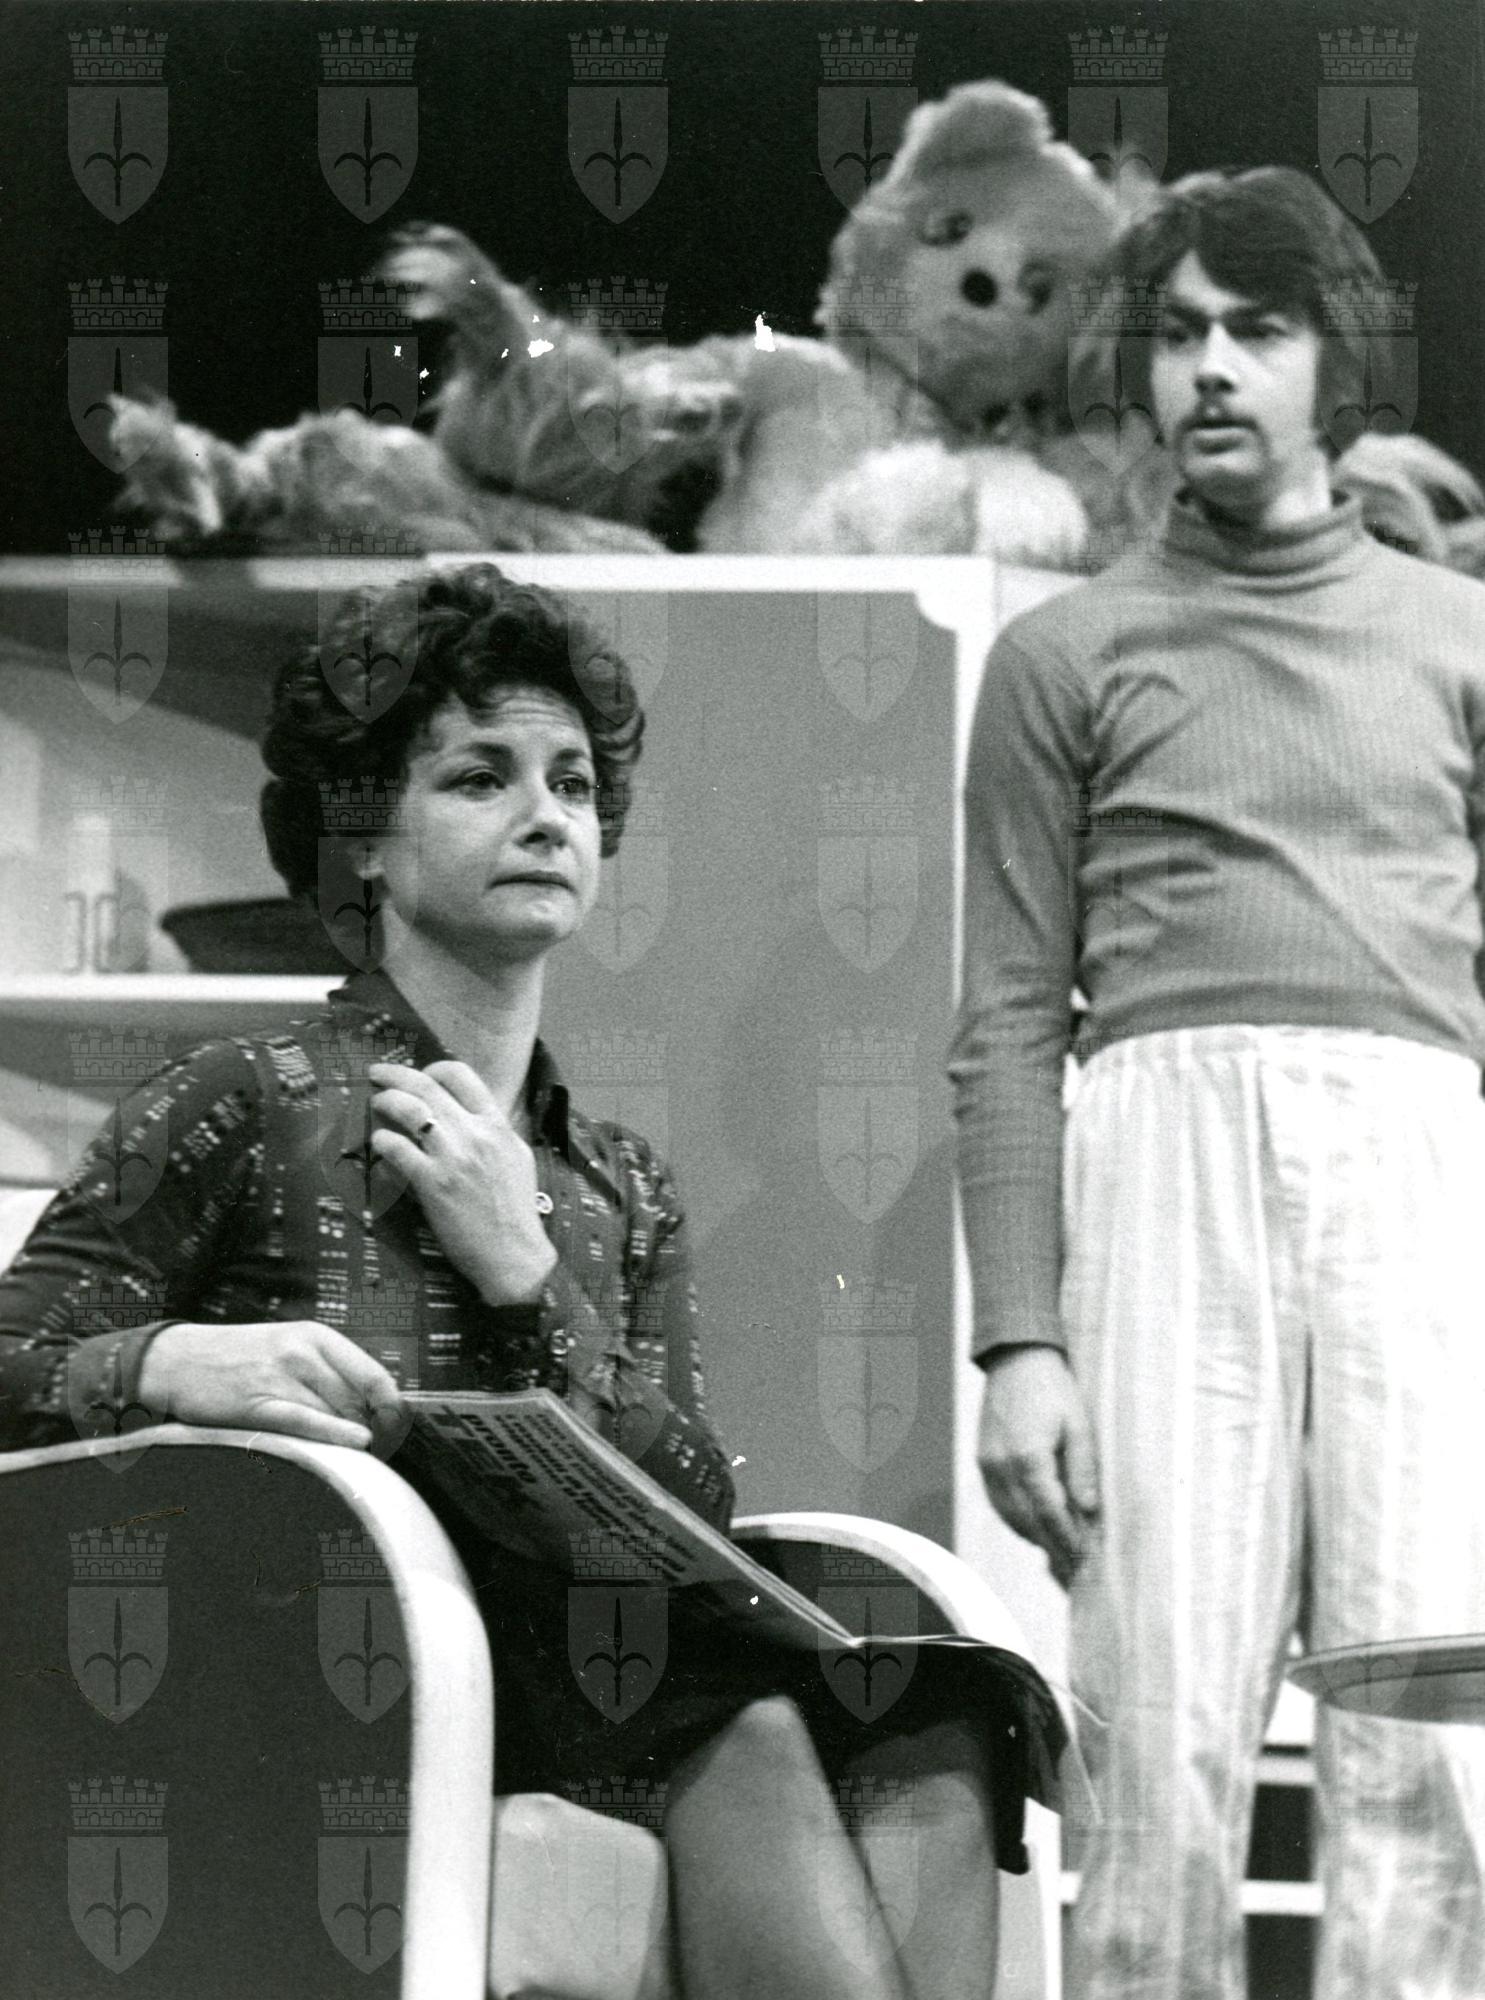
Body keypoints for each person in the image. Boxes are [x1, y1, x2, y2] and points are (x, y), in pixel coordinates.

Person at [0, 561, 1060, 2000]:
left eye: (572, 783)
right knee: (739, 1717)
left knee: (944, 1706)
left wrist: (531, 1275)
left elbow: (692, 1500)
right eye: (479, 777)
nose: (547, 813)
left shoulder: (619, 1183)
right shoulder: (242, 1100)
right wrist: (171, 1362)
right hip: (337, 1656)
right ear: (365, 847)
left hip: (595, 1661)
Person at [950, 166, 1485, 2000]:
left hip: (1416, 1177)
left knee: (1427, 1739)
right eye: (1178, 334)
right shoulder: (1062, 653)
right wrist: (1020, 1342)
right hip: (1162, 1175)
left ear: (1337, 359)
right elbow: (1005, 1019)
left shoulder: (1461, 644)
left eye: (1257, 329)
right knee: (1159, 1732)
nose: (1211, 370)